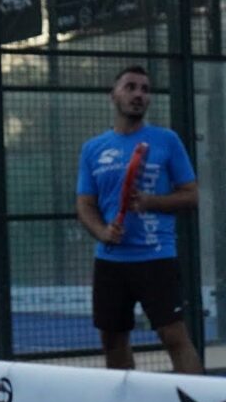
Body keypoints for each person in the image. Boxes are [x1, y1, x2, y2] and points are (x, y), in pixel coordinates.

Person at [76, 65, 204, 374]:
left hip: (156, 258)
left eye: (145, 90)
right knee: (113, 340)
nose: (138, 95)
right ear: (113, 95)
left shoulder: (166, 141)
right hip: (110, 263)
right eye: (130, 87)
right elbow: (85, 203)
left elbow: (191, 195)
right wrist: (102, 232)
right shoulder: (93, 149)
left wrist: (151, 202)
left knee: (174, 336)